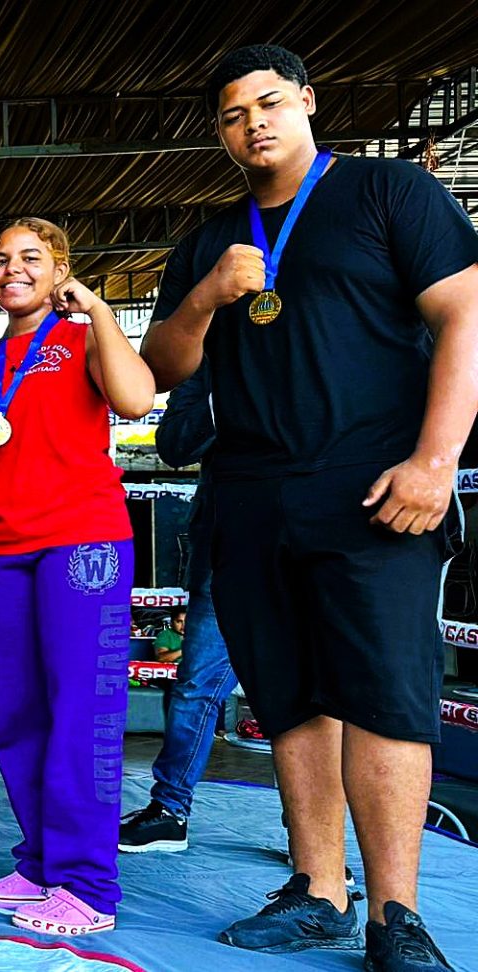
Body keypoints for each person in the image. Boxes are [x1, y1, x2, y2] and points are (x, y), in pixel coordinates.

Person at [141, 44, 477, 970]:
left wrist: (435, 460)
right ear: (219, 132)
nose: (254, 122)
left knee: (386, 698)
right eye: (233, 113)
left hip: (376, 490)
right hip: (250, 496)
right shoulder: (210, 238)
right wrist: (207, 296)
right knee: (289, 701)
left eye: (271, 102)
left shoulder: (388, 193)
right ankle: (319, 890)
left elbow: (466, 317)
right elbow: (164, 368)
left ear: (307, 103)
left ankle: (396, 917)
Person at [0, 218, 153, 937]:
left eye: (31, 258)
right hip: (4, 546)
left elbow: (135, 401)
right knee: (19, 716)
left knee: (82, 717)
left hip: (81, 544)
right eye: (1, 259)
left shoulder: (81, 335)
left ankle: (90, 886)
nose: (12, 269)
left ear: (60, 267)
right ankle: (39, 862)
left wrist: (95, 308)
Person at [119, 361, 238, 855]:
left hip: (319, 542)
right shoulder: (215, 359)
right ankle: (170, 809)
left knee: (318, 698)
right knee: (196, 686)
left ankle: (321, 854)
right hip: (229, 542)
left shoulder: (328, 346)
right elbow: (175, 442)